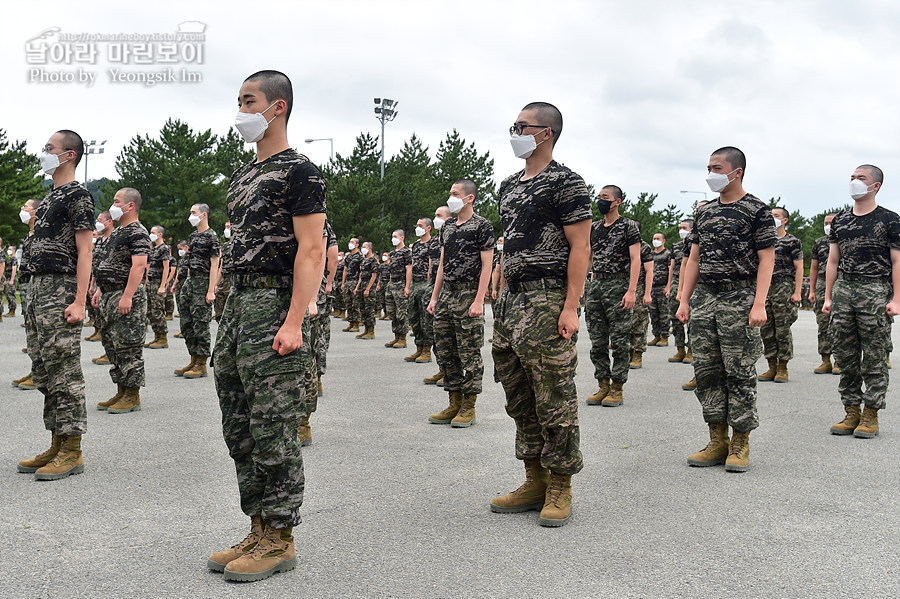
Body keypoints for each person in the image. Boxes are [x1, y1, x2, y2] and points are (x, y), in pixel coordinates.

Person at [207, 69, 325, 582]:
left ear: (277, 108)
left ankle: (280, 536)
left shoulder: (301, 171)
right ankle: (256, 525)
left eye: (248, 100)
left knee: (273, 422)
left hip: (275, 301)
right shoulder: (244, 176)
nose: (240, 110)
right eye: (238, 100)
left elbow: (312, 248)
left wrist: (296, 318)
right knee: (238, 418)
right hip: (239, 301)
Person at [489, 102, 591, 527]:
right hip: (511, 302)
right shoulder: (509, 186)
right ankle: (533, 478)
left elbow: (580, 248)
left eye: (521, 126)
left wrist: (570, 307)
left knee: (554, 396)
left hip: (548, 300)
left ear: (545, 133)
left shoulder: (567, 184)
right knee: (518, 394)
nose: (513, 132)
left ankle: (560, 484)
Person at [677, 146, 775, 473]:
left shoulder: (757, 210)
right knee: (706, 371)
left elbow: (767, 259)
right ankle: (716, 439)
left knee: (740, 370)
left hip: (741, 296)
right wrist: (684, 300)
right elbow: (694, 258)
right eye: (708, 167)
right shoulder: (703, 213)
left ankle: (740, 441)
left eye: (717, 167)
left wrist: (759, 302)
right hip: (706, 297)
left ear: (737, 172)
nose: (711, 173)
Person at [17, 129, 93, 481]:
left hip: (59, 288)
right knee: (44, 367)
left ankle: (73, 449)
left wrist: (79, 300)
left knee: (64, 370)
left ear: (70, 155)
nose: (44, 153)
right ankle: (57, 440)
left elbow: (85, 250)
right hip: (37, 289)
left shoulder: (78, 196)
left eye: (50, 148)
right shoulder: (49, 198)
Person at [823, 164, 900, 438]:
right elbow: (833, 260)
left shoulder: (890, 220)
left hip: (875, 291)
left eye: (861, 178)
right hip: (844, 290)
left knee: (875, 355)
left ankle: (871, 414)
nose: (854, 182)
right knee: (845, 355)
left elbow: (897, 260)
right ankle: (851, 410)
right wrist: (828, 296)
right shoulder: (841, 221)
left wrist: (897, 298)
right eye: (852, 177)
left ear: (875, 186)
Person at [427, 180, 494, 427]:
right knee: (445, 350)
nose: (451, 197)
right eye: (450, 193)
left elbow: (488, 265)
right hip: (447, 295)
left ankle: (469, 406)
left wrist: (479, 299)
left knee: (469, 351)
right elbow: (443, 265)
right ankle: (454, 401)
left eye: (455, 194)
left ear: (470, 198)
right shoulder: (447, 227)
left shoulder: (482, 226)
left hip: (468, 294)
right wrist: (435, 297)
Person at [92, 188, 151, 414]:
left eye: (117, 201)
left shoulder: (138, 232)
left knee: (128, 345)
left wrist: (127, 296)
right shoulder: (117, 233)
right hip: (108, 294)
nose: (113, 205)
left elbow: (138, 265)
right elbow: (107, 262)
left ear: (130, 206)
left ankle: (132, 394)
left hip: (126, 295)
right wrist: (99, 290)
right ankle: (121, 389)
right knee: (113, 345)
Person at [583, 186, 640, 406]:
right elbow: (588, 257)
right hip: (596, 285)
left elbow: (636, 260)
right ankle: (602, 385)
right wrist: (582, 286)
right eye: (598, 197)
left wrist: (632, 290)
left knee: (619, 340)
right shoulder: (595, 227)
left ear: (617, 201)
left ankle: (617, 387)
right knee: (597, 341)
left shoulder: (628, 226)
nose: (600, 201)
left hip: (619, 285)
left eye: (604, 198)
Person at [757, 207, 803, 383]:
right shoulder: (763, 240)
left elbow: (799, 267)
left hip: (783, 285)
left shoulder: (792, 241)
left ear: (785, 220)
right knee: (766, 328)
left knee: (782, 328)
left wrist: (797, 291)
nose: (772, 218)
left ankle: (783, 366)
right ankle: (771, 366)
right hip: (765, 286)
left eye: (776, 216)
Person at [174, 203, 220, 379]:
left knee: (200, 323)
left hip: (203, 282)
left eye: (193, 212)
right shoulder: (193, 236)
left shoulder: (212, 237)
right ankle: (193, 358)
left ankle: (201, 363)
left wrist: (211, 290)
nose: (190, 215)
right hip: (190, 280)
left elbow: (215, 264)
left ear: (204, 215)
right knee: (186, 322)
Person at [12, 199, 39, 390]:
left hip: (36, 287)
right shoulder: (29, 235)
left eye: (25, 207)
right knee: (31, 330)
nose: (22, 210)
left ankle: (39, 374)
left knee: (37, 331)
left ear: (36, 212)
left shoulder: (41, 234)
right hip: (27, 286)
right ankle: (35, 370)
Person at [423, 206, 450, 385]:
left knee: (448, 336)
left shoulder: (454, 234)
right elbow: (434, 265)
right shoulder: (434, 241)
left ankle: (449, 372)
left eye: (439, 216)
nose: (436, 218)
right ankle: (442, 368)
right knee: (436, 332)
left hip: (451, 289)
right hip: (434, 285)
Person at [809, 213, 836, 374]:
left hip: (840, 283)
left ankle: (839, 360)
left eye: (831, 222)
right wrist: (811, 290)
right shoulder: (819, 243)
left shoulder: (844, 240)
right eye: (826, 222)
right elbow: (813, 267)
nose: (828, 225)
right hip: (821, 283)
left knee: (840, 323)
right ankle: (825, 360)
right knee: (823, 323)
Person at [406, 218, 435, 363]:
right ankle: (418, 347)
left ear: (428, 228)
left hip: (425, 284)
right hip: (415, 284)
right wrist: (408, 286)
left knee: (425, 319)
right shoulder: (416, 245)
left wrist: (431, 285)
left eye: (420, 226)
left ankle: (426, 351)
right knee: (414, 317)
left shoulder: (432, 244)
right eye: (416, 225)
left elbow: (431, 266)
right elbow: (411, 266)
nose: (417, 228)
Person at [85, 211, 114, 346]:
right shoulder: (100, 242)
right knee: (100, 314)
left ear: (110, 221)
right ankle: (100, 334)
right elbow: (97, 266)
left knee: (111, 319)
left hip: (112, 285)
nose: (98, 222)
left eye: (100, 219)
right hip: (99, 283)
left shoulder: (115, 239)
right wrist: (93, 285)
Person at [668, 221, 692, 363]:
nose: (682, 230)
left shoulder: (695, 244)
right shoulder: (676, 246)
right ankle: (680, 349)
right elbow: (672, 267)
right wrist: (669, 286)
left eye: (685, 228)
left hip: (691, 281)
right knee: (674, 317)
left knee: (692, 320)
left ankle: (691, 350)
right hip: (676, 281)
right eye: (680, 228)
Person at [144, 225, 171, 349]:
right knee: (151, 311)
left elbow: (166, 267)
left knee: (158, 310)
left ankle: (163, 338)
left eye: (153, 232)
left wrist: (162, 285)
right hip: (151, 282)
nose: (151, 234)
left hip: (158, 282)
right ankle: (157, 336)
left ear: (160, 234)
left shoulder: (164, 248)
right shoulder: (154, 249)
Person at [629, 238, 654, 369]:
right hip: (622, 287)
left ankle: (638, 353)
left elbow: (649, 271)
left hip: (639, 287)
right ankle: (629, 351)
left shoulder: (644, 247)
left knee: (639, 321)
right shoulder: (622, 245)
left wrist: (647, 293)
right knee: (624, 323)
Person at [384, 230, 411, 348]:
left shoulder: (407, 252)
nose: (393, 238)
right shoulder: (392, 253)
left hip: (401, 284)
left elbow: (409, 269)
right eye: (392, 236)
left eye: (395, 236)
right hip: (392, 284)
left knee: (401, 312)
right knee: (392, 312)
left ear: (402, 237)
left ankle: (403, 338)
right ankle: (396, 336)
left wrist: (407, 286)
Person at [647, 233, 671, 347]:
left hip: (662, 286)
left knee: (663, 313)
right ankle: (656, 335)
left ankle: (664, 336)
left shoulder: (667, 254)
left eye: (658, 239)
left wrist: (668, 286)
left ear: (663, 241)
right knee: (653, 313)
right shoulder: (650, 254)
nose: (655, 240)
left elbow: (670, 270)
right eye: (654, 238)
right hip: (652, 287)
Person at [354, 241, 378, 339]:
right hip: (362, 285)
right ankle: (366, 329)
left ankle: (371, 331)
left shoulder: (373, 260)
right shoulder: (364, 260)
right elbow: (361, 275)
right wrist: (357, 287)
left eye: (365, 247)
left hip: (369, 285)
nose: (363, 248)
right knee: (363, 308)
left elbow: (374, 274)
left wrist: (368, 288)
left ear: (370, 248)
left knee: (369, 309)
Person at [341, 238, 362, 332]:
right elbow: (345, 270)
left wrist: (358, 285)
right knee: (348, 303)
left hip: (355, 281)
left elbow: (362, 271)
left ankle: (356, 324)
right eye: (350, 242)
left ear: (357, 245)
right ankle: (351, 322)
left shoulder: (360, 256)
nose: (350, 244)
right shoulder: (348, 256)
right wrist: (343, 282)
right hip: (348, 282)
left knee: (355, 304)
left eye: (352, 242)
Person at [170, 241, 189, 337]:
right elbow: (178, 272)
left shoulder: (191, 258)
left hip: (186, 281)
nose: (179, 251)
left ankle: (187, 330)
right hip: (180, 282)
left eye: (181, 249)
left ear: (186, 247)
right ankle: (183, 329)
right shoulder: (182, 259)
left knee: (186, 307)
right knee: (180, 306)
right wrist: (174, 284)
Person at [3, 244, 18, 317]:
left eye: (10, 249)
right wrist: (5, 279)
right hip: (8, 278)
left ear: (14, 251)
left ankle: (12, 311)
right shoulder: (9, 259)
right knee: (8, 294)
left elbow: (14, 270)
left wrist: (12, 280)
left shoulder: (14, 259)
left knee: (11, 294)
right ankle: (10, 310)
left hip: (12, 278)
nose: (8, 250)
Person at [376, 252, 390, 320]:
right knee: (382, 299)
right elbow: (380, 275)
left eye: (385, 255)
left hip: (388, 282)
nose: (384, 256)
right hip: (382, 283)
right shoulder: (381, 266)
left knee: (388, 299)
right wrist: (378, 284)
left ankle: (389, 314)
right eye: (383, 255)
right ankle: (385, 313)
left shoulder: (390, 265)